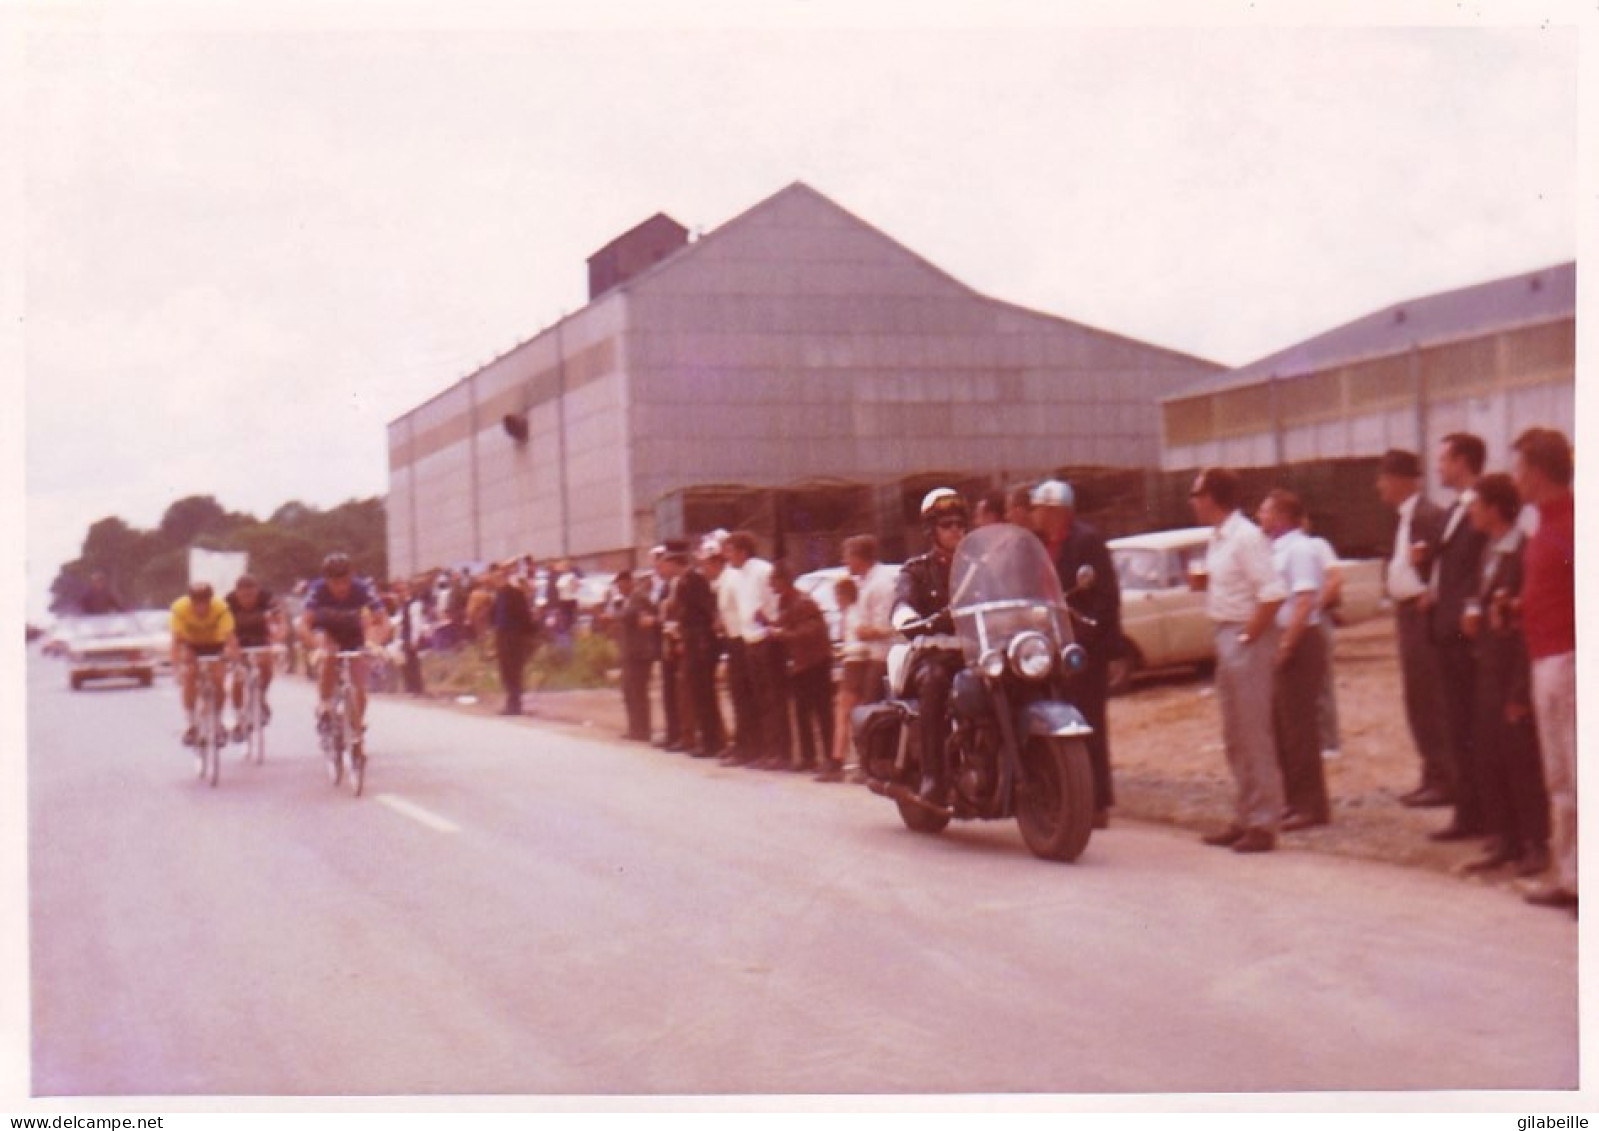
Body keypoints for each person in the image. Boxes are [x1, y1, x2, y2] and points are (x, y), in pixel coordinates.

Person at [1457, 473, 1550, 879]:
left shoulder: (1523, 554)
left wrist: (1519, 690)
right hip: (1488, 671)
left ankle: (1534, 843)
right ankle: (1504, 839)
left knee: (1521, 761)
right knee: (1491, 756)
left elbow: (1528, 625)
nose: (1471, 513)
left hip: (1513, 673)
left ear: (1495, 507)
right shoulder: (1489, 551)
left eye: (1476, 506)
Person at [1189, 468, 1286, 854]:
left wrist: (1248, 636)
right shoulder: (1219, 539)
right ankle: (1246, 815)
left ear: (1212, 497)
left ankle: (1263, 823)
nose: (1192, 501)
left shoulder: (1246, 538)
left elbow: (1273, 593)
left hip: (1245, 635)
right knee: (1235, 735)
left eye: (1196, 494)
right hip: (1225, 633)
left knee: (1253, 734)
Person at [1031, 478, 1120, 828]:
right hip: (1052, 645)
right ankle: (1068, 793)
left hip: (1084, 648)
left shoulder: (1086, 541)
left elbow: (1103, 598)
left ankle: (1097, 802)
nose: (1035, 514)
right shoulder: (1045, 544)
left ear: (1054, 510)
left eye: (1039, 507)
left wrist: (1083, 639)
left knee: (1088, 722)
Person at [1511, 428, 1576, 912]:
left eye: (1519, 469)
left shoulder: (1576, 523)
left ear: (1535, 472)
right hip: (1544, 658)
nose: (1515, 478)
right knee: (1560, 776)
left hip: (1571, 661)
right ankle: (1572, 876)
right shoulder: (1544, 526)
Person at [1375, 449, 1452, 808]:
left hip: (1421, 614)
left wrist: (1431, 594)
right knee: (1416, 697)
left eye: (1385, 478)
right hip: (1405, 613)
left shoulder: (1427, 516)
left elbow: (1443, 563)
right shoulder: (1404, 518)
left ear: (1403, 479)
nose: (1380, 487)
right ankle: (1431, 772)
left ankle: (1443, 777)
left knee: (1429, 696)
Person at [1428, 433, 1490, 842]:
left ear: (1463, 461)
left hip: (1465, 634)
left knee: (1472, 725)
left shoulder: (1482, 509)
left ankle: (1479, 813)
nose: (1438, 467)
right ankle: (1468, 810)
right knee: (1456, 724)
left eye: (1444, 460)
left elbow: (1479, 567)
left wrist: (1467, 609)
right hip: (1445, 630)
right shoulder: (1455, 510)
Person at [1257, 489, 1330, 831]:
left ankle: (1311, 805)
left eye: (1266, 511)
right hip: (1282, 640)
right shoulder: (1275, 549)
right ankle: (1292, 798)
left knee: (1299, 727)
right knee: (1282, 725)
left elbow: (1304, 601)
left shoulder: (1300, 549)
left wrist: (1286, 645)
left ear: (1283, 516)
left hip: (1299, 642)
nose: (1260, 515)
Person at [891, 488, 969, 806]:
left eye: (960, 524)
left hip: (978, 653)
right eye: (947, 524)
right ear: (932, 530)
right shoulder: (917, 570)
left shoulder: (981, 567)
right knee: (934, 680)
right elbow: (901, 604)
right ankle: (932, 776)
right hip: (936, 652)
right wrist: (911, 619)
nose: (955, 530)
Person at [299, 553, 392, 757]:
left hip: (353, 630)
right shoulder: (318, 589)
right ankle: (324, 704)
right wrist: (316, 647)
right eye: (335, 582)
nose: (341, 587)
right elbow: (304, 624)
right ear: (327, 580)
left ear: (352, 576)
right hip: (327, 630)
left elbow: (383, 621)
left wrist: (375, 644)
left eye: (345, 581)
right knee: (329, 655)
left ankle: (356, 727)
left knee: (359, 685)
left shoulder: (362, 588)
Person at [724, 531, 788, 770]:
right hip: (749, 640)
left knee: (773, 699)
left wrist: (770, 621)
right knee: (758, 699)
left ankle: (778, 752)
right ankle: (762, 750)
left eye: (730, 551)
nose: (727, 556)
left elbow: (773, 601)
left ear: (742, 551)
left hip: (766, 639)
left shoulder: (762, 570)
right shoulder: (737, 575)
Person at [769, 561, 834, 773]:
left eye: (774, 580)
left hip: (815, 662)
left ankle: (829, 758)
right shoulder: (786, 602)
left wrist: (783, 634)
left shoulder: (803, 602)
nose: (771, 585)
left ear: (783, 580)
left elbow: (812, 630)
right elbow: (786, 622)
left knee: (822, 712)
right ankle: (808, 757)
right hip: (800, 664)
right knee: (801, 711)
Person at [169, 580, 238, 748]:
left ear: (210, 600)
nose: (200, 606)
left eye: (204, 601)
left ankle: (217, 722)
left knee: (219, 679)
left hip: (215, 644)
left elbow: (230, 639)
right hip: (191, 645)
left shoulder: (221, 608)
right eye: (196, 602)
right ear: (190, 600)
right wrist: (177, 668)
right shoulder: (180, 609)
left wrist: (235, 661)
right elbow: (176, 643)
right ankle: (191, 724)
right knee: (189, 676)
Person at [225, 574, 286, 741]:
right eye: (243, 596)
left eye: (251, 595)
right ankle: (239, 718)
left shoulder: (267, 598)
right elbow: (224, 629)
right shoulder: (228, 602)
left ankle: (261, 696)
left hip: (261, 636)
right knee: (238, 678)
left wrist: (279, 635)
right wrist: (231, 648)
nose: (248, 600)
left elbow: (280, 620)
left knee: (266, 662)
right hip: (238, 637)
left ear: (257, 591)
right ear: (236, 593)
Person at [820, 574, 861, 783]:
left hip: (854, 663)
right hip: (851, 663)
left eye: (837, 595)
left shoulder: (854, 614)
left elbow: (855, 643)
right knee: (846, 714)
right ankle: (844, 759)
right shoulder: (850, 613)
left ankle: (837, 760)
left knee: (842, 713)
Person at [615, 570, 658, 741]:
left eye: (621, 584)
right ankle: (634, 727)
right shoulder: (627, 600)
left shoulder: (639, 598)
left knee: (638, 691)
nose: (619, 588)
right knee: (629, 690)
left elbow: (644, 619)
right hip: (630, 652)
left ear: (629, 582)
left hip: (639, 653)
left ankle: (642, 730)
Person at [490, 565, 539, 716]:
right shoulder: (498, 595)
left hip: (514, 635)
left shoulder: (515, 594)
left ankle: (515, 703)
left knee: (514, 669)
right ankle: (510, 701)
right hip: (502, 635)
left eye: (499, 577)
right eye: (494, 577)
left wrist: (529, 634)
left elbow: (524, 616)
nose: (496, 580)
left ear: (504, 578)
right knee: (505, 669)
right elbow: (495, 616)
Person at [392, 578, 427, 697]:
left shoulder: (414, 604)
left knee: (413, 663)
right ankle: (410, 687)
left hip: (410, 636)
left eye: (401, 591)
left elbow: (416, 622)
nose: (399, 594)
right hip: (404, 636)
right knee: (406, 663)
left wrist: (414, 639)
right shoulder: (404, 605)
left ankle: (417, 688)